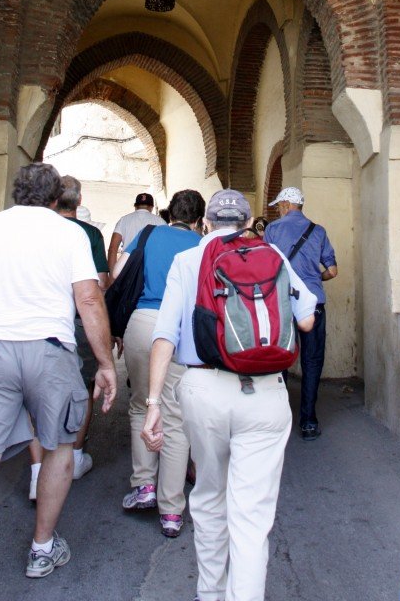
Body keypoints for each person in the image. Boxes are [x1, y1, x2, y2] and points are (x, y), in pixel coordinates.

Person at [0, 163, 117, 601]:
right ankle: (42, 548)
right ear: (57, 198)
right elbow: (89, 297)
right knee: (59, 446)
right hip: (50, 351)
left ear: (15, 192)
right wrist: (104, 362)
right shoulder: (70, 234)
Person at [141, 188, 317, 601]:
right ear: (247, 220)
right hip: (267, 395)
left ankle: (210, 593)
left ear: (206, 223)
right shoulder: (272, 255)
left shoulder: (187, 260)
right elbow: (307, 320)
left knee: (208, 497)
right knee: (252, 518)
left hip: (204, 392)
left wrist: (153, 403)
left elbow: (165, 334)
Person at [121, 189, 204, 538]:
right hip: (180, 331)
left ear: (169, 213)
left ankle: (144, 485)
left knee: (141, 404)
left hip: (142, 323)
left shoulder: (149, 233)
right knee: (175, 417)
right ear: (200, 218)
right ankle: (171, 510)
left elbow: (121, 272)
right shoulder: (202, 245)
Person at [27, 175, 110, 500]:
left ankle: (37, 471)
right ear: (78, 200)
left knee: (35, 393)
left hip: (39, 321)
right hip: (77, 322)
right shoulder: (89, 233)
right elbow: (99, 285)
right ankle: (74, 456)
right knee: (83, 386)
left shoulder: (36, 230)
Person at [263, 186, 337, 439]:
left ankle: (279, 419)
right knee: (312, 360)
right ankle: (308, 421)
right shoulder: (319, 231)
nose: (279, 210)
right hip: (313, 303)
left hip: (283, 302)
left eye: (279, 206)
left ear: (285, 204)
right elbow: (333, 270)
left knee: (280, 359)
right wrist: (315, 279)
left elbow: (266, 267)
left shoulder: (273, 230)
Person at [107, 192, 165, 279]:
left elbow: (112, 249)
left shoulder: (123, 220)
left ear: (135, 206)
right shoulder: (160, 222)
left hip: (127, 268)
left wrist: (111, 277)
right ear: (151, 207)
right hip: (150, 270)